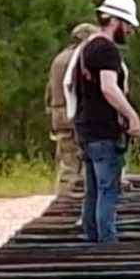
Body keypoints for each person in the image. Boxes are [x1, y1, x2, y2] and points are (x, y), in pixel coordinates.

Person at [71, 0, 140, 244]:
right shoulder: (107, 49)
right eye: (128, 25)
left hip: (86, 129)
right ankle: (107, 246)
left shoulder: (87, 47)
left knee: (92, 192)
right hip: (103, 131)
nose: (130, 31)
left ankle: (91, 244)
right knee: (108, 190)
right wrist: (131, 115)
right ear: (116, 21)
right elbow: (108, 87)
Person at [46, 23, 100, 196]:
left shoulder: (59, 59)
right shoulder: (82, 57)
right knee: (83, 161)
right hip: (75, 112)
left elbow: (49, 89)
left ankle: (61, 197)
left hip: (58, 113)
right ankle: (75, 203)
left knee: (66, 161)